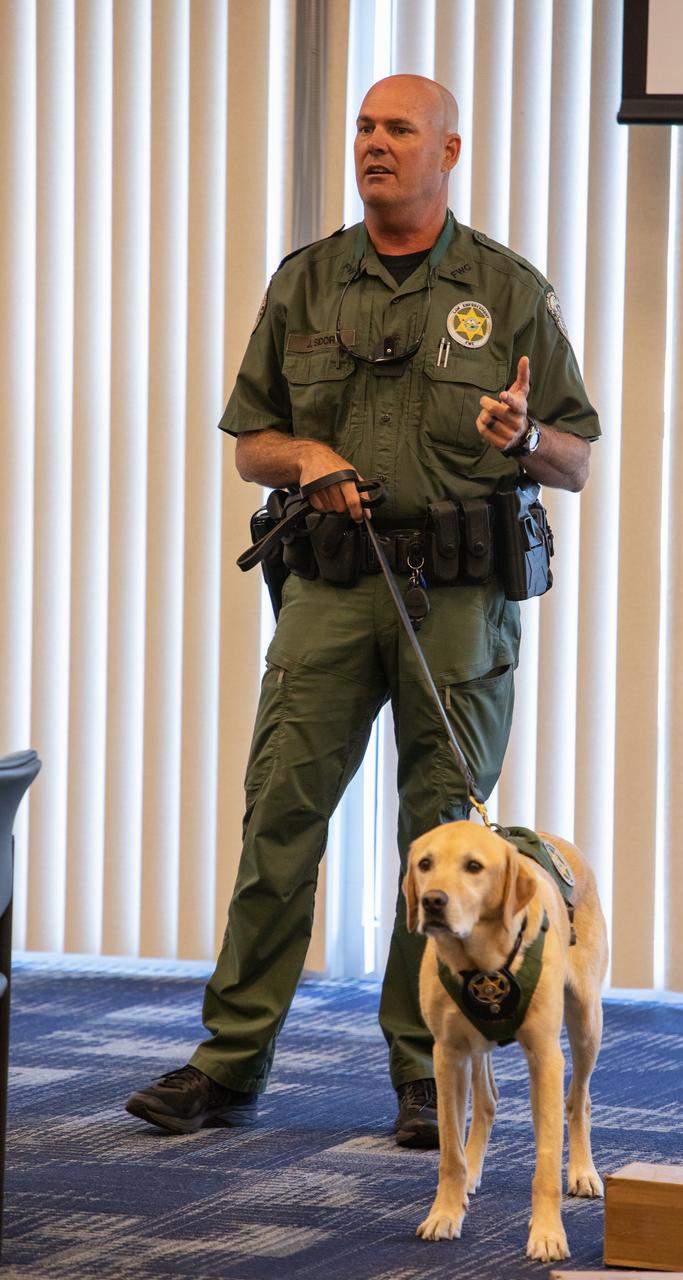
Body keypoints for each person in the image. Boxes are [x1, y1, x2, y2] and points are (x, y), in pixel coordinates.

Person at [126, 74, 599, 1147]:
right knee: (279, 824)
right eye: (365, 128)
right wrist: (305, 454)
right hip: (334, 592)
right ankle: (229, 1059)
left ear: (449, 151)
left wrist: (520, 435)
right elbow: (252, 440)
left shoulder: (507, 289)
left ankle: (426, 1072)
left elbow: (573, 458)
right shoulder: (306, 284)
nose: (375, 145)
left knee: (439, 849)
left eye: (399, 130)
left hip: (458, 605)